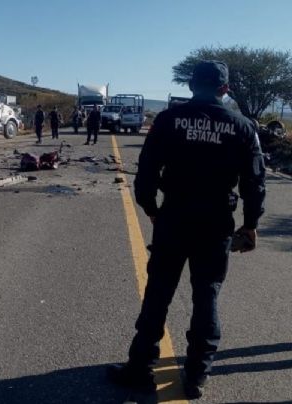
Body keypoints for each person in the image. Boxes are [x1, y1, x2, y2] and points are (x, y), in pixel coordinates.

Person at [107, 61, 266, 399]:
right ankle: (196, 375)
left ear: (192, 85)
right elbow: (255, 182)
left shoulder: (167, 120)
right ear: (224, 90)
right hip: (215, 223)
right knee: (206, 294)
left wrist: (151, 209)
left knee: (159, 293)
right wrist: (250, 225)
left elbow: (147, 169)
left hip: (174, 218)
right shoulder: (242, 126)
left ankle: (139, 368)